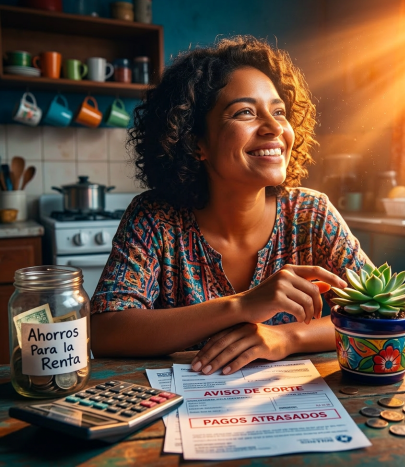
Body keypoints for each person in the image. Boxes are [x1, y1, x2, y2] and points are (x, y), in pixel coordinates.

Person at [91, 35, 371, 375]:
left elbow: (377, 312)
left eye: (279, 112)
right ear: (195, 142)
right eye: (245, 113)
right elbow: (105, 331)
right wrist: (242, 306)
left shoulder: (312, 215)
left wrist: (286, 338)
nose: (274, 128)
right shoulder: (155, 219)